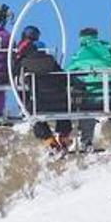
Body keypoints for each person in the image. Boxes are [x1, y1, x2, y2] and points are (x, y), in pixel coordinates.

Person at [65, 27, 111, 153]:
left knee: (85, 111)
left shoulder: (79, 54)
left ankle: (86, 142)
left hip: (91, 99)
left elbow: (68, 72)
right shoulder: (109, 49)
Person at [15, 26, 73, 154]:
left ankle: (50, 141)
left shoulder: (25, 64)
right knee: (64, 112)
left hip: (39, 103)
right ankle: (63, 136)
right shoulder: (51, 61)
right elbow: (63, 78)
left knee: (33, 117)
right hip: (59, 103)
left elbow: (20, 82)